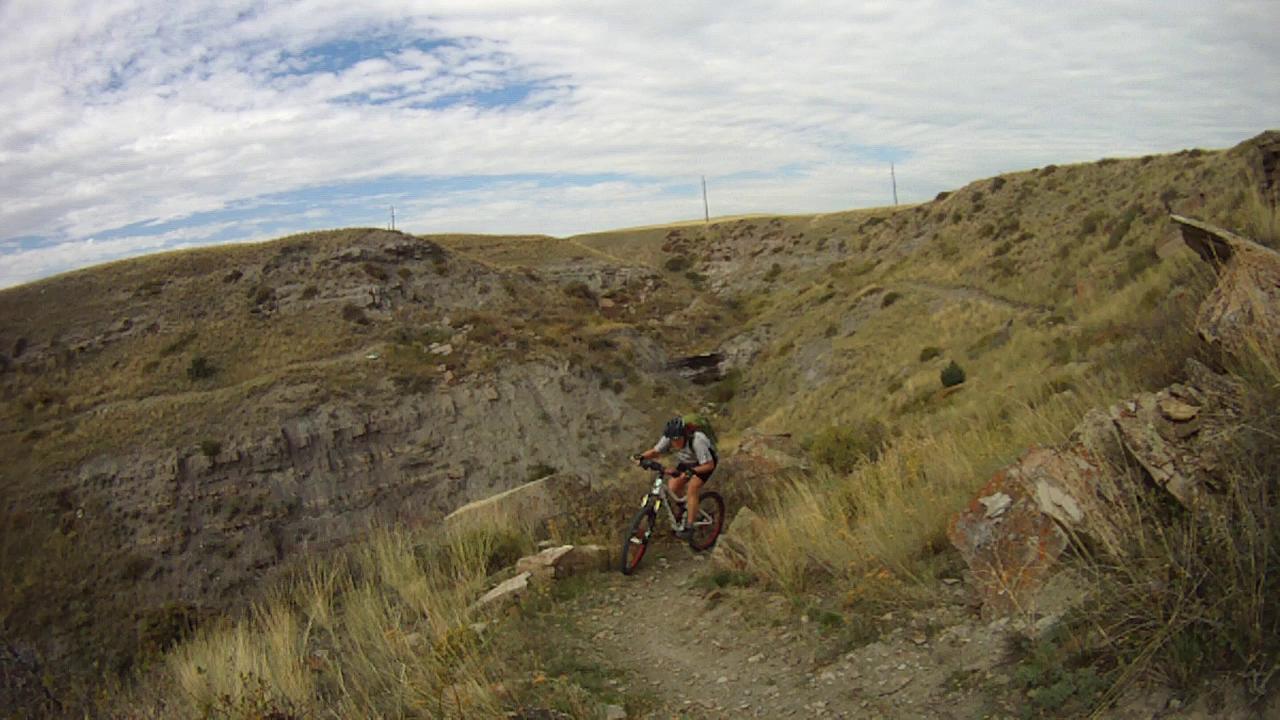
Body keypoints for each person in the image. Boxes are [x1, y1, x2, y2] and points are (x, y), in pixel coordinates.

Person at [635, 416, 717, 539]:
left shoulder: (698, 440)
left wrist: (693, 471)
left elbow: (709, 465)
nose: (675, 443)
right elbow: (655, 451)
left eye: (678, 439)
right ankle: (686, 509)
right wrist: (640, 457)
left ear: (684, 434)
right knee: (673, 486)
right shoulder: (669, 437)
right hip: (686, 463)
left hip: (703, 464)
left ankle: (689, 526)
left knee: (692, 488)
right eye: (672, 440)